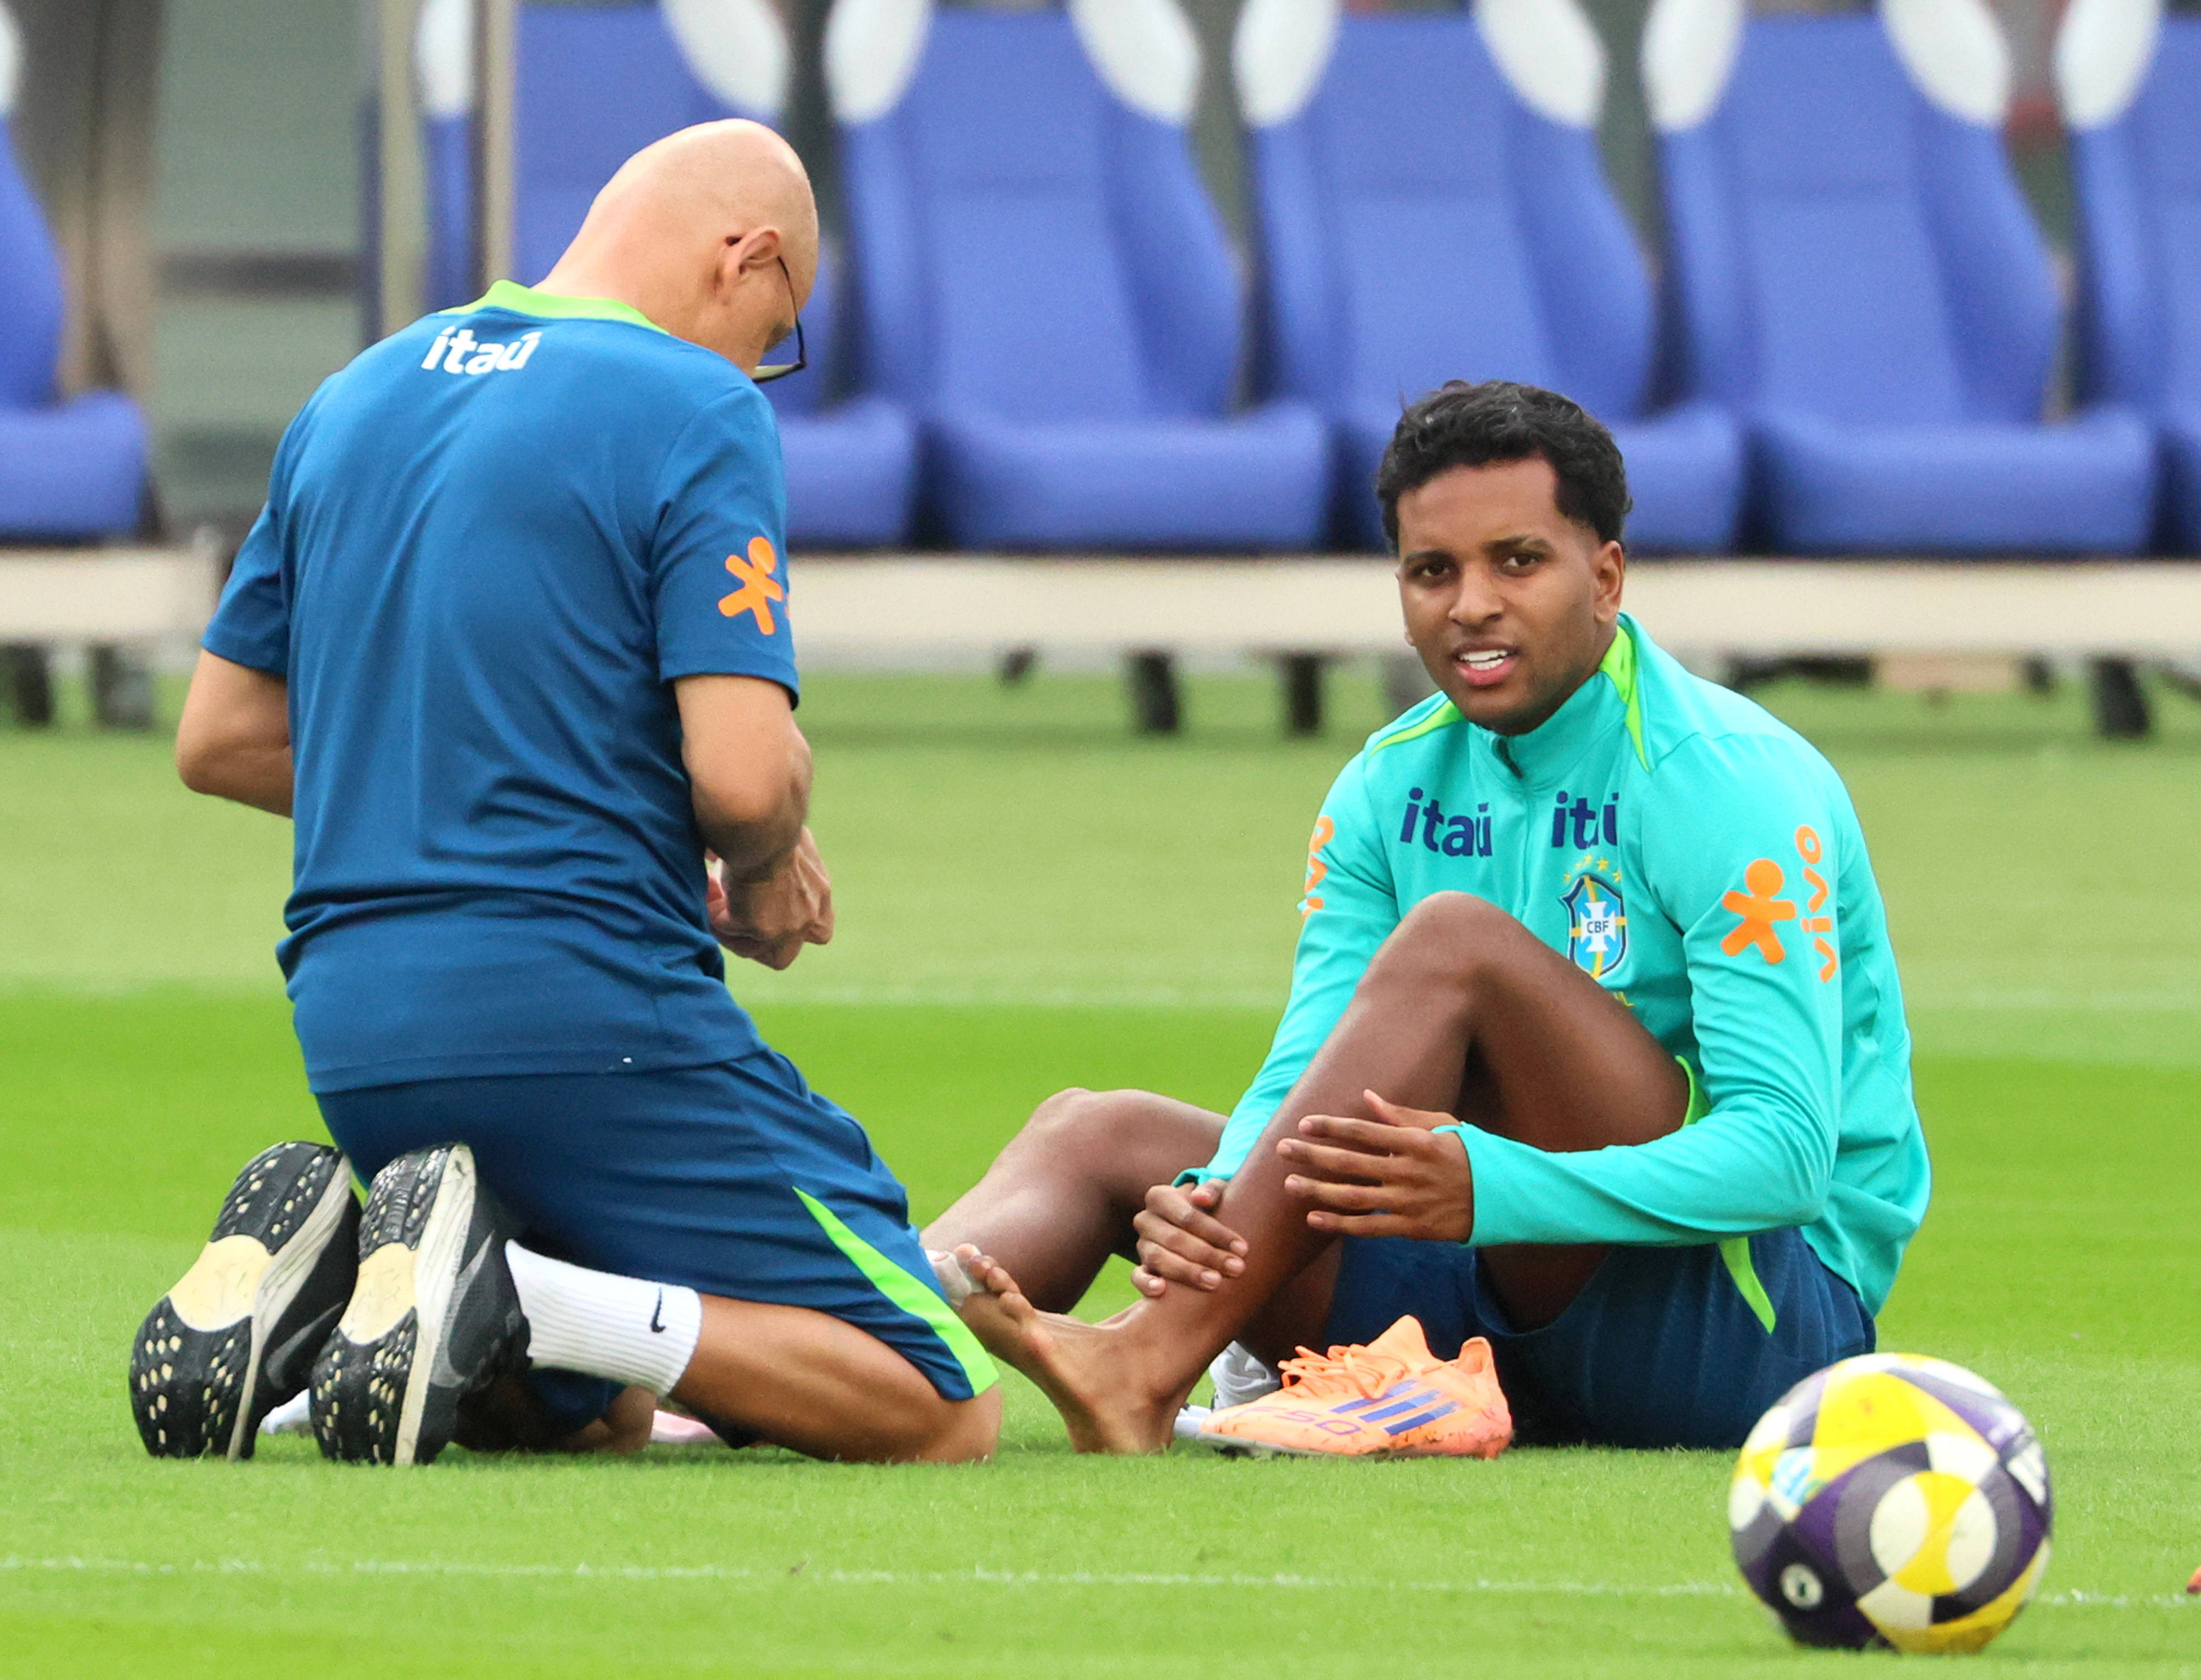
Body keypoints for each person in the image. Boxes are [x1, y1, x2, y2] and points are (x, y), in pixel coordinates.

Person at [130, 121, 1000, 1468]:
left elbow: (221, 737)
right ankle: (503, 1288)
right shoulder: (695, 406)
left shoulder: (353, 395)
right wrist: (763, 856)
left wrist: (522, 799)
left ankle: (365, 1286)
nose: (760, 368)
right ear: (749, 257)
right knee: (933, 1399)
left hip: (357, 1034)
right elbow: (740, 776)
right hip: (586, 1016)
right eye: (777, 333)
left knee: (603, 1419)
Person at [922, 380, 1932, 1456]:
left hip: (1744, 1326)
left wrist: (1492, 1185)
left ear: (1605, 577)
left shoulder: (1726, 778)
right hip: (1465, 1275)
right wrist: (1217, 1200)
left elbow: (1783, 1157)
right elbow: (1308, 1061)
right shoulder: (1386, 784)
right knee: (1098, 1133)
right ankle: (843, 1346)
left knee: (1457, 945)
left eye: (1518, 562)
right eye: (1431, 571)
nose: (1470, 605)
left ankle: (1145, 1363)